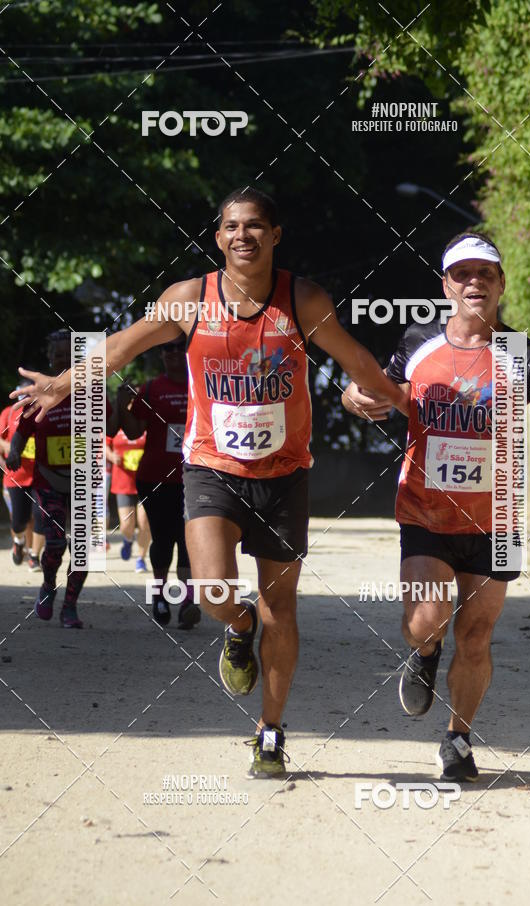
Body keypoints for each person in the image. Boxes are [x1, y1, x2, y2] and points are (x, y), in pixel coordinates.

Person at [13, 187, 407, 777]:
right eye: (230, 226)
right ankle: (239, 627)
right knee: (213, 593)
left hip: (284, 474)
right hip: (210, 467)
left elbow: (354, 359)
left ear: (275, 234)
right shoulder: (189, 298)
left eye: (254, 225)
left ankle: (270, 731)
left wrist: (397, 401)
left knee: (283, 607)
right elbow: (123, 345)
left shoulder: (302, 299)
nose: (241, 235)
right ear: (218, 236)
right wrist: (68, 380)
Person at [342, 231, 530, 782]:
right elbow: (374, 390)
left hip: (498, 516)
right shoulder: (420, 341)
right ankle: (424, 652)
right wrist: (355, 399)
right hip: (425, 512)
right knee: (424, 621)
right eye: (463, 274)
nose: (474, 282)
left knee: (477, 634)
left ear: (500, 285)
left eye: (486, 274)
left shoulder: (521, 354)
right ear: (446, 285)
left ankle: (457, 739)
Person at [6, 331, 89, 627]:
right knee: (54, 543)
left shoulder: (90, 392)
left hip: (84, 481)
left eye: (69, 356)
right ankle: (48, 585)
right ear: (50, 359)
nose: (63, 361)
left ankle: (70, 608)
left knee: (83, 550)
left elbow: (111, 425)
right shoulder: (40, 393)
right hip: (48, 481)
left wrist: (119, 404)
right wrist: (14, 452)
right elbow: (21, 432)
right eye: (58, 356)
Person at [117, 338, 199, 629]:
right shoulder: (152, 388)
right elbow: (132, 429)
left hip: (197, 476)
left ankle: (189, 601)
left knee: (190, 540)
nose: (175, 353)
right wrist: (121, 402)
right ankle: (160, 595)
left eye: (180, 347)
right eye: (168, 349)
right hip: (155, 478)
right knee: (163, 539)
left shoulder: (202, 384)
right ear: (162, 355)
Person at [0, 380, 44, 570]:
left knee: (41, 516)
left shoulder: (44, 410)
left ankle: (34, 555)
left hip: (41, 475)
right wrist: (10, 448)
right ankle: (18, 542)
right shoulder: (9, 413)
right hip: (16, 476)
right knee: (19, 521)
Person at [107, 423, 151, 571]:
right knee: (126, 524)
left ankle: (141, 558)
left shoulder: (146, 424)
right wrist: (111, 455)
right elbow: (103, 444)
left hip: (146, 480)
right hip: (123, 481)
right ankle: (128, 539)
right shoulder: (115, 423)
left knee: (144, 522)